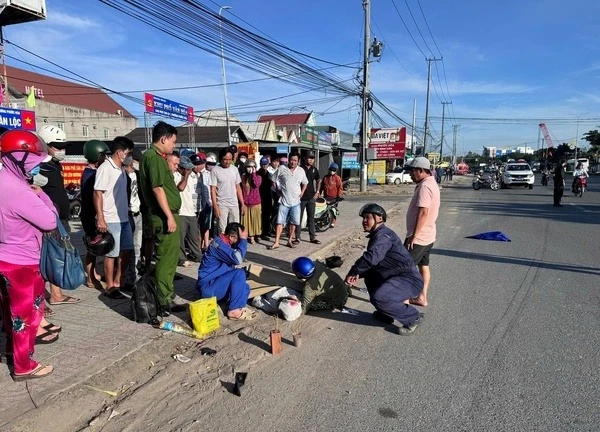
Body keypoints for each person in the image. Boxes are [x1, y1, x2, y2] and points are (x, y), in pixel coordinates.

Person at [0, 130, 59, 380]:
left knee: (8, 313)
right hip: (22, 263)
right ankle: (24, 365)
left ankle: (11, 353)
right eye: (34, 162)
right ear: (19, 158)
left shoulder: (3, 181)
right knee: (25, 317)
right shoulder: (19, 190)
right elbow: (50, 221)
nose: (36, 168)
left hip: (4, 258)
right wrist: (41, 194)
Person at [344, 204, 423, 335]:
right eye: (363, 218)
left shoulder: (383, 237)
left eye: (367, 217)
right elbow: (375, 264)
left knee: (380, 297)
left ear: (379, 218)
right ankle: (386, 314)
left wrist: (353, 271)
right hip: (395, 276)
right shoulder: (378, 235)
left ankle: (413, 317)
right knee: (371, 277)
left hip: (409, 280)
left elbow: (371, 258)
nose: (364, 221)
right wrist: (358, 274)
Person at [139, 121, 184, 315]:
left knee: (169, 258)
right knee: (166, 259)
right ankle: (163, 300)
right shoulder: (154, 158)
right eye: (173, 141)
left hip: (165, 215)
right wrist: (169, 217)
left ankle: (166, 294)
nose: (173, 146)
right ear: (164, 139)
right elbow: (157, 189)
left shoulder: (151, 157)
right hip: (163, 216)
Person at [37, 125, 81, 307]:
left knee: (58, 257)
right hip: (47, 220)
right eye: (56, 146)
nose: (61, 150)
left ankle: (56, 294)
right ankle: (39, 301)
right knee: (45, 258)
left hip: (60, 219)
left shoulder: (54, 165)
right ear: (44, 144)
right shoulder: (39, 167)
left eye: (63, 147)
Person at [94, 137, 135, 299]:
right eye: (128, 153)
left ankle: (119, 280)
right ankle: (109, 286)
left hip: (124, 218)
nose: (130, 156)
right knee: (111, 253)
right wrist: (101, 218)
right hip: (111, 218)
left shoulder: (121, 169)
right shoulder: (106, 168)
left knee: (127, 250)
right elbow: (98, 193)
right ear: (119, 152)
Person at [197, 223, 255, 320]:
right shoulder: (218, 245)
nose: (240, 242)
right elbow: (238, 259)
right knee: (239, 274)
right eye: (239, 239)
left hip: (217, 284)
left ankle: (237, 307)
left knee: (245, 287)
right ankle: (233, 311)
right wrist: (244, 240)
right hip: (208, 288)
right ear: (231, 237)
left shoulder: (226, 244)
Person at [404, 157, 440, 308]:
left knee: (404, 268)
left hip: (419, 238)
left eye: (412, 172)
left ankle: (401, 301)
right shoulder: (431, 183)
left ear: (420, 170)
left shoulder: (425, 187)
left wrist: (414, 236)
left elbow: (423, 212)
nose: (410, 175)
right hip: (428, 235)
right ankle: (422, 297)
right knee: (423, 266)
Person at [80, 139, 111, 288]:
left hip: (92, 215)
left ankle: (94, 274)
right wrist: (99, 217)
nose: (105, 158)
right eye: (104, 155)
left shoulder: (93, 172)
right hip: (90, 215)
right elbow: (92, 198)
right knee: (93, 247)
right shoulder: (90, 175)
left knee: (95, 248)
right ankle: (90, 277)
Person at [268, 152, 308, 250]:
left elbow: (305, 183)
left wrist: (302, 192)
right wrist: (277, 191)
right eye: (291, 160)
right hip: (284, 201)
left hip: (296, 202)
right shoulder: (282, 168)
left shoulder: (301, 171)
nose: (293, 162)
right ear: (288, 159)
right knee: (280, 222)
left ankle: (289, 240)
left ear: (298, 161)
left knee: (293, 223)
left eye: (295, 160)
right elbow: (273, 180)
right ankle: (276, 242)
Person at [174, 155, 202, 267]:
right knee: (181, 237)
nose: (190, 170)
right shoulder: (175, 176)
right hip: (181, 212)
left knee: (193, 236)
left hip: (191, 211)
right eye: (187, 169)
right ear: (181, 168)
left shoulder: (192, 176)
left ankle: (196, 254)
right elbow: (181, 187)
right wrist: (185, 176)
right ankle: (181, 258)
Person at [210, 148, 246, 234]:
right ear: (220, 159)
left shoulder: (234, 169)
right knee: (222, 229)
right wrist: (215, 207)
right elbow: (212, 190)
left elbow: (238, 187)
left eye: (230, 159)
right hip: (221, 204)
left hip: (234, 204)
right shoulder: (215, 170)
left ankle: (233, 247)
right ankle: (223, 246)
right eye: (225, 159)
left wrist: (242, 204)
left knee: (235, 228)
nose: (227, 162)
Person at [123, 148, 144, 288]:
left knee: (138, 247)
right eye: (136, 161)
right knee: (129, 248)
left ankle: (134, 273)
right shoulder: (122, 176)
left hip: (138, 213)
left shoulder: (137, 174)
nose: (137, 163)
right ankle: (129, 277)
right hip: (128, 214)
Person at [297, 151, 321, 245]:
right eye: (309, 158)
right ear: (305, 158)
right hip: (301, 197)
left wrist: (318, 191)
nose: (310, 160)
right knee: (298, 218)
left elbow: (319, 180)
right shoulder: (300, 169)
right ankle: (297, 237)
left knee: (311, 218)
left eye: (312, 158)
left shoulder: (315, 169)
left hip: (311, 197)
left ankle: (312, 237)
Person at [241, 159, 262, 244]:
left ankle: (253, 237)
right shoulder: (243, 177)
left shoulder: (258, 177)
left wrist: (253, 174)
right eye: (248, 167)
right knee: (246, 222)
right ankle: (245, 236)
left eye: (252, 167)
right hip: (246, 203)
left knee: (254, 221)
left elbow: (256, 184)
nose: (250, 168)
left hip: (255, 203)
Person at [198, 152, 216, 251]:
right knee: (198, 226)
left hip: (208, 203)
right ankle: (199, 246)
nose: (210, 166)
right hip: (197, 203)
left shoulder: (210, 174)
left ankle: (206, 244)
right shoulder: (196, 173)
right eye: (209, 163)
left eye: (213, 164)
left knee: (206, 225)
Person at [320, 162, 343, 227]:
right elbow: (321, 187)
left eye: (334, 170)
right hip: (326, 196)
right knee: (325, 209)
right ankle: (324, 220)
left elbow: (340, 188)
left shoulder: (337, 178)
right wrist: (319, 194)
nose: (332, 171)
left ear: (336, 171)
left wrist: (339, 196)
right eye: (331, 169)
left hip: (334, 197)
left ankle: (333, 221)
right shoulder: (325, 177)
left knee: (334, 209)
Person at [257, 156, 273, 241]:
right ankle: (261, 232)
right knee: (260, 216)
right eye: (263, 164)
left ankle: (266, 232)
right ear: (260, 164)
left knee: (267, 216)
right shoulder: (258, 173)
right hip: (260, 197)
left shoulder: (269, 174)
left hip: (268, 197)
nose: (264, 166)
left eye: (265, 164)